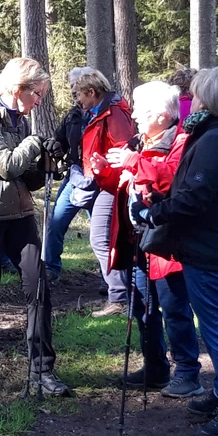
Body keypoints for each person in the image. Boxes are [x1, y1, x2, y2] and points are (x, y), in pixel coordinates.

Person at [131, 67, 218, 436]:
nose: (191, 100)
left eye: (197, 94)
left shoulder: (217, 138)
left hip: (214, 245)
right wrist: (162, 199)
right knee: (216, 324)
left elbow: (197, 196)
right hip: (213, 242)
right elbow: (194, 189)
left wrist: (153, 212)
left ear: (210, 98)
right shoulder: (215, 133)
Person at [0, 57, 69, 397]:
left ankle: (42, 371)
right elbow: (5, 165)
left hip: (17, 212)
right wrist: (36, 142)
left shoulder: (19, 119)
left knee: (39, 287)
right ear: (17, 89)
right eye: (37, 93)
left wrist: (49, 164)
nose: (39, 101)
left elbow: (23, 176)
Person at [105, 81, 201, 396]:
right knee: (143, 307)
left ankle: (187, 372)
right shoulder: (140, 141)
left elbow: (171, 178)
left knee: (175, 309)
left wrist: (135, 165)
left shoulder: (182, 141)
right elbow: (127, 181)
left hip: (166, 243)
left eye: (141, 111)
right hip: (135, 239)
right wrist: (103, 170)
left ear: (161, 114)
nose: (134, 115)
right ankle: (156, 367)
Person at [42, 69, 132, 315]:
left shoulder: (112, 113)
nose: (75, 99)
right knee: (63, 224)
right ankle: (119, 293)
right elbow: (68, 141)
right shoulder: (85, 113)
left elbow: (121, 151)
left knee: (101, 238)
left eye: (78, 94)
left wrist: (103, 171)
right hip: (83, 177)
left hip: (106, 182)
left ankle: (120, 297)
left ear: (92, 92)